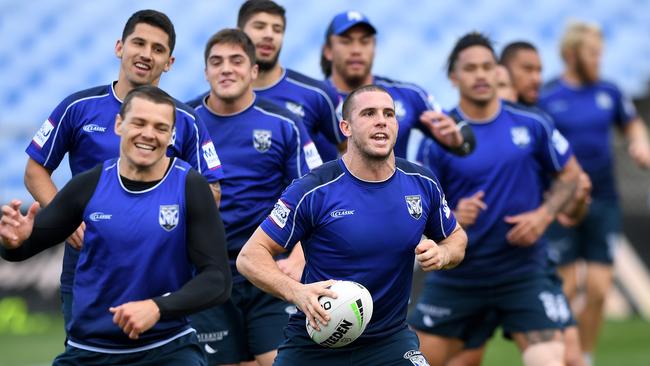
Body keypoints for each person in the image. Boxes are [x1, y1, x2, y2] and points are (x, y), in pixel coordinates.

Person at [23, 9, 224, 334]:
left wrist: (163, 230)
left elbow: (211, 191)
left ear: (169, 62)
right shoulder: (78, 107)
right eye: (139, 43)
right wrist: (64, 216)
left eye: (158, 49)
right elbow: (35, 170)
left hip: (160, 270)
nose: (146, 54)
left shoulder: (185, 120)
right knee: (90, 351)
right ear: (120, 47)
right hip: (89, 263)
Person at [236, 84, 467, 365]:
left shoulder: (422, 182)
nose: (381, 120)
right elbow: (250, 257)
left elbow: (456, 237)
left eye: (389, 114)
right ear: (346, 127)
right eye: (368, 113)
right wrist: (297, 292)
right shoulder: (313, 188)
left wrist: (444, 253)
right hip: (316, 342)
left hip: (389, 341)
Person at [1, 85, 232, 365]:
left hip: (167, 348)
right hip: (89, 350)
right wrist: (13, 241)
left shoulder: (190, 185)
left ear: (172, 135)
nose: (149, 134)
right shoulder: (90, 184)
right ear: (119, 124)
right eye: (139, 123)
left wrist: (157, 307)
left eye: (161, 127)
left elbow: (217, 281)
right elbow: (20, 250)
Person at [408, 32, 582, 366]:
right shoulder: (437, 139)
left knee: (553, 360)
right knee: (415, 361)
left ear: (497, 71)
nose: (481, 74)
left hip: (523, 272)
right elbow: (416, 210)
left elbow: (571, 174)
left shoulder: (533, 124)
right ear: (454, 77)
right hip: (459, 277)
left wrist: (543, 216)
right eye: (470, 68)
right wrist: (452, 215)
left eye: (487, 66)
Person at [187, 29, 321, 366]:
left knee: (278, 361)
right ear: (206, 72)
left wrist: (300, 256)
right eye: (216, 62)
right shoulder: (183, 122)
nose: (226, 69)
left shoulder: (284, 123)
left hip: (270, 270)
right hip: (206, 274)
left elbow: (316, 196)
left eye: (236, 61)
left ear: (253, 71)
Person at [537, 21, 650, 365]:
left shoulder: (610, 92)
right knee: (566, 288)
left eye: (600, 53)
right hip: (563, 203)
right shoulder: (549, 96)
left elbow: (631, 122)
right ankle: (563, 355)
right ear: (571, 54)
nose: (598, 59)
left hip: (603, 199)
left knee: (599, 289)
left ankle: (584, 355)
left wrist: (639, 141)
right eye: (592, 53)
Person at [187, 0, 342, 162]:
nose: (269, 35)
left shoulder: (318, 94)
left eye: (277, 29)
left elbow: (350, 148)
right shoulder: (198, 111)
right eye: (259, 26)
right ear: (239, 33)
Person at [320, 10, 475, 160]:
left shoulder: (408, 95)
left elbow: (466, 137)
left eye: (365, 41)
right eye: (346, 41)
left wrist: (457, 141)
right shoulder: (312, 101)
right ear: (328, 51)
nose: (356, 50)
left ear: (374, 48)